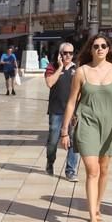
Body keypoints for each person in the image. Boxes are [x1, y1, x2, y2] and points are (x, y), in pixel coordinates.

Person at [60, 34, 112, 222]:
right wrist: (65, 131)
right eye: (96, 46)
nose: (99, 49)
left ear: (108, 49)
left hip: (110, 124)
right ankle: (92, 220)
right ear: (90, 50)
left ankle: (97, 206)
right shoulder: (81, 72)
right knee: (92, 170)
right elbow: (72, 102)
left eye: (103, 46)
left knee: (104, 168)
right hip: (87, 122)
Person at [44, 42, 79, 181]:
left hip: (73, 112)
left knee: (73, 141)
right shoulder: (52, 66)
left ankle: (70, 171)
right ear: (60, 54)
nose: (68, 56)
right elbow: (50, 83)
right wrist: (60, 67)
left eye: (71, 53)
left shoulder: (77, 69)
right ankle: (50, 161)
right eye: (65, 53)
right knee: (53, 141)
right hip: (56, 110)